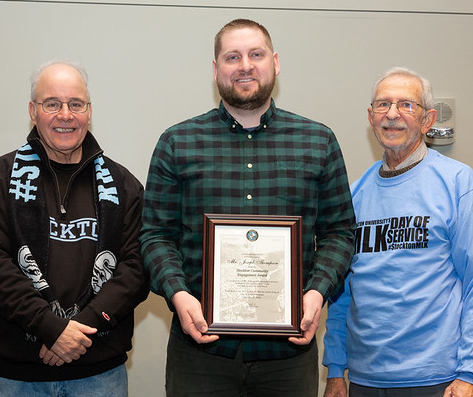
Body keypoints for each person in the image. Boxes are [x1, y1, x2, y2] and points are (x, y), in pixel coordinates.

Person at [140, 18, 355, 397]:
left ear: (275, 62)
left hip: (289, 356)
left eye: (256, 55)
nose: (244, 65)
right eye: (232, 57)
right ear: (215, 69)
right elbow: (156, 235)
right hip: (201, 353)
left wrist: (317, 292)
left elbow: (339, 233)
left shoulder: (318, 141)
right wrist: (178, 293)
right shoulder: (177, 142)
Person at [0, 60, 149, 396]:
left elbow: (137, 269)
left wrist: (78, 330)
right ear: (32, 110)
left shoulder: (124, 186)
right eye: (52, 103)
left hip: (99, 374)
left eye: (75, 104)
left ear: (89, 111)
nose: (65, 114)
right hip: (14, 376)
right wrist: (50, 328)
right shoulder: (3, 177)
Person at [322, 67, 473, 397]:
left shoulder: (460, 184)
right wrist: (336, 369)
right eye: (382, 104)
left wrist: (469, 373)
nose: (392, 114)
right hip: (364, 380)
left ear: (427, 120)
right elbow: (342, 293)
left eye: (406, 104)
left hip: (439, 379)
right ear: (370, 117)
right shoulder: (353, 195)